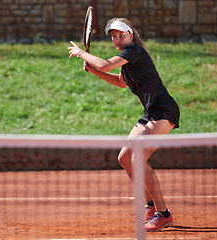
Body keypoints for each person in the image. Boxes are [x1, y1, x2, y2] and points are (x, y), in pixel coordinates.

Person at [68, 17, 180, 232]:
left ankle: (163, 214)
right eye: (113, 36)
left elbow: (105, 63)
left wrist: (82, 54)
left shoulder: (134, 51)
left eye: (121, 35)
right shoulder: (128, 60)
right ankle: (150, 206)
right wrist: (93, 71)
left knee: (139, 158)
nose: (117, 39)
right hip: (151, 112)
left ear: (130, 35)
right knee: (125, 158)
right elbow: (120, 82)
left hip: (164, 110)